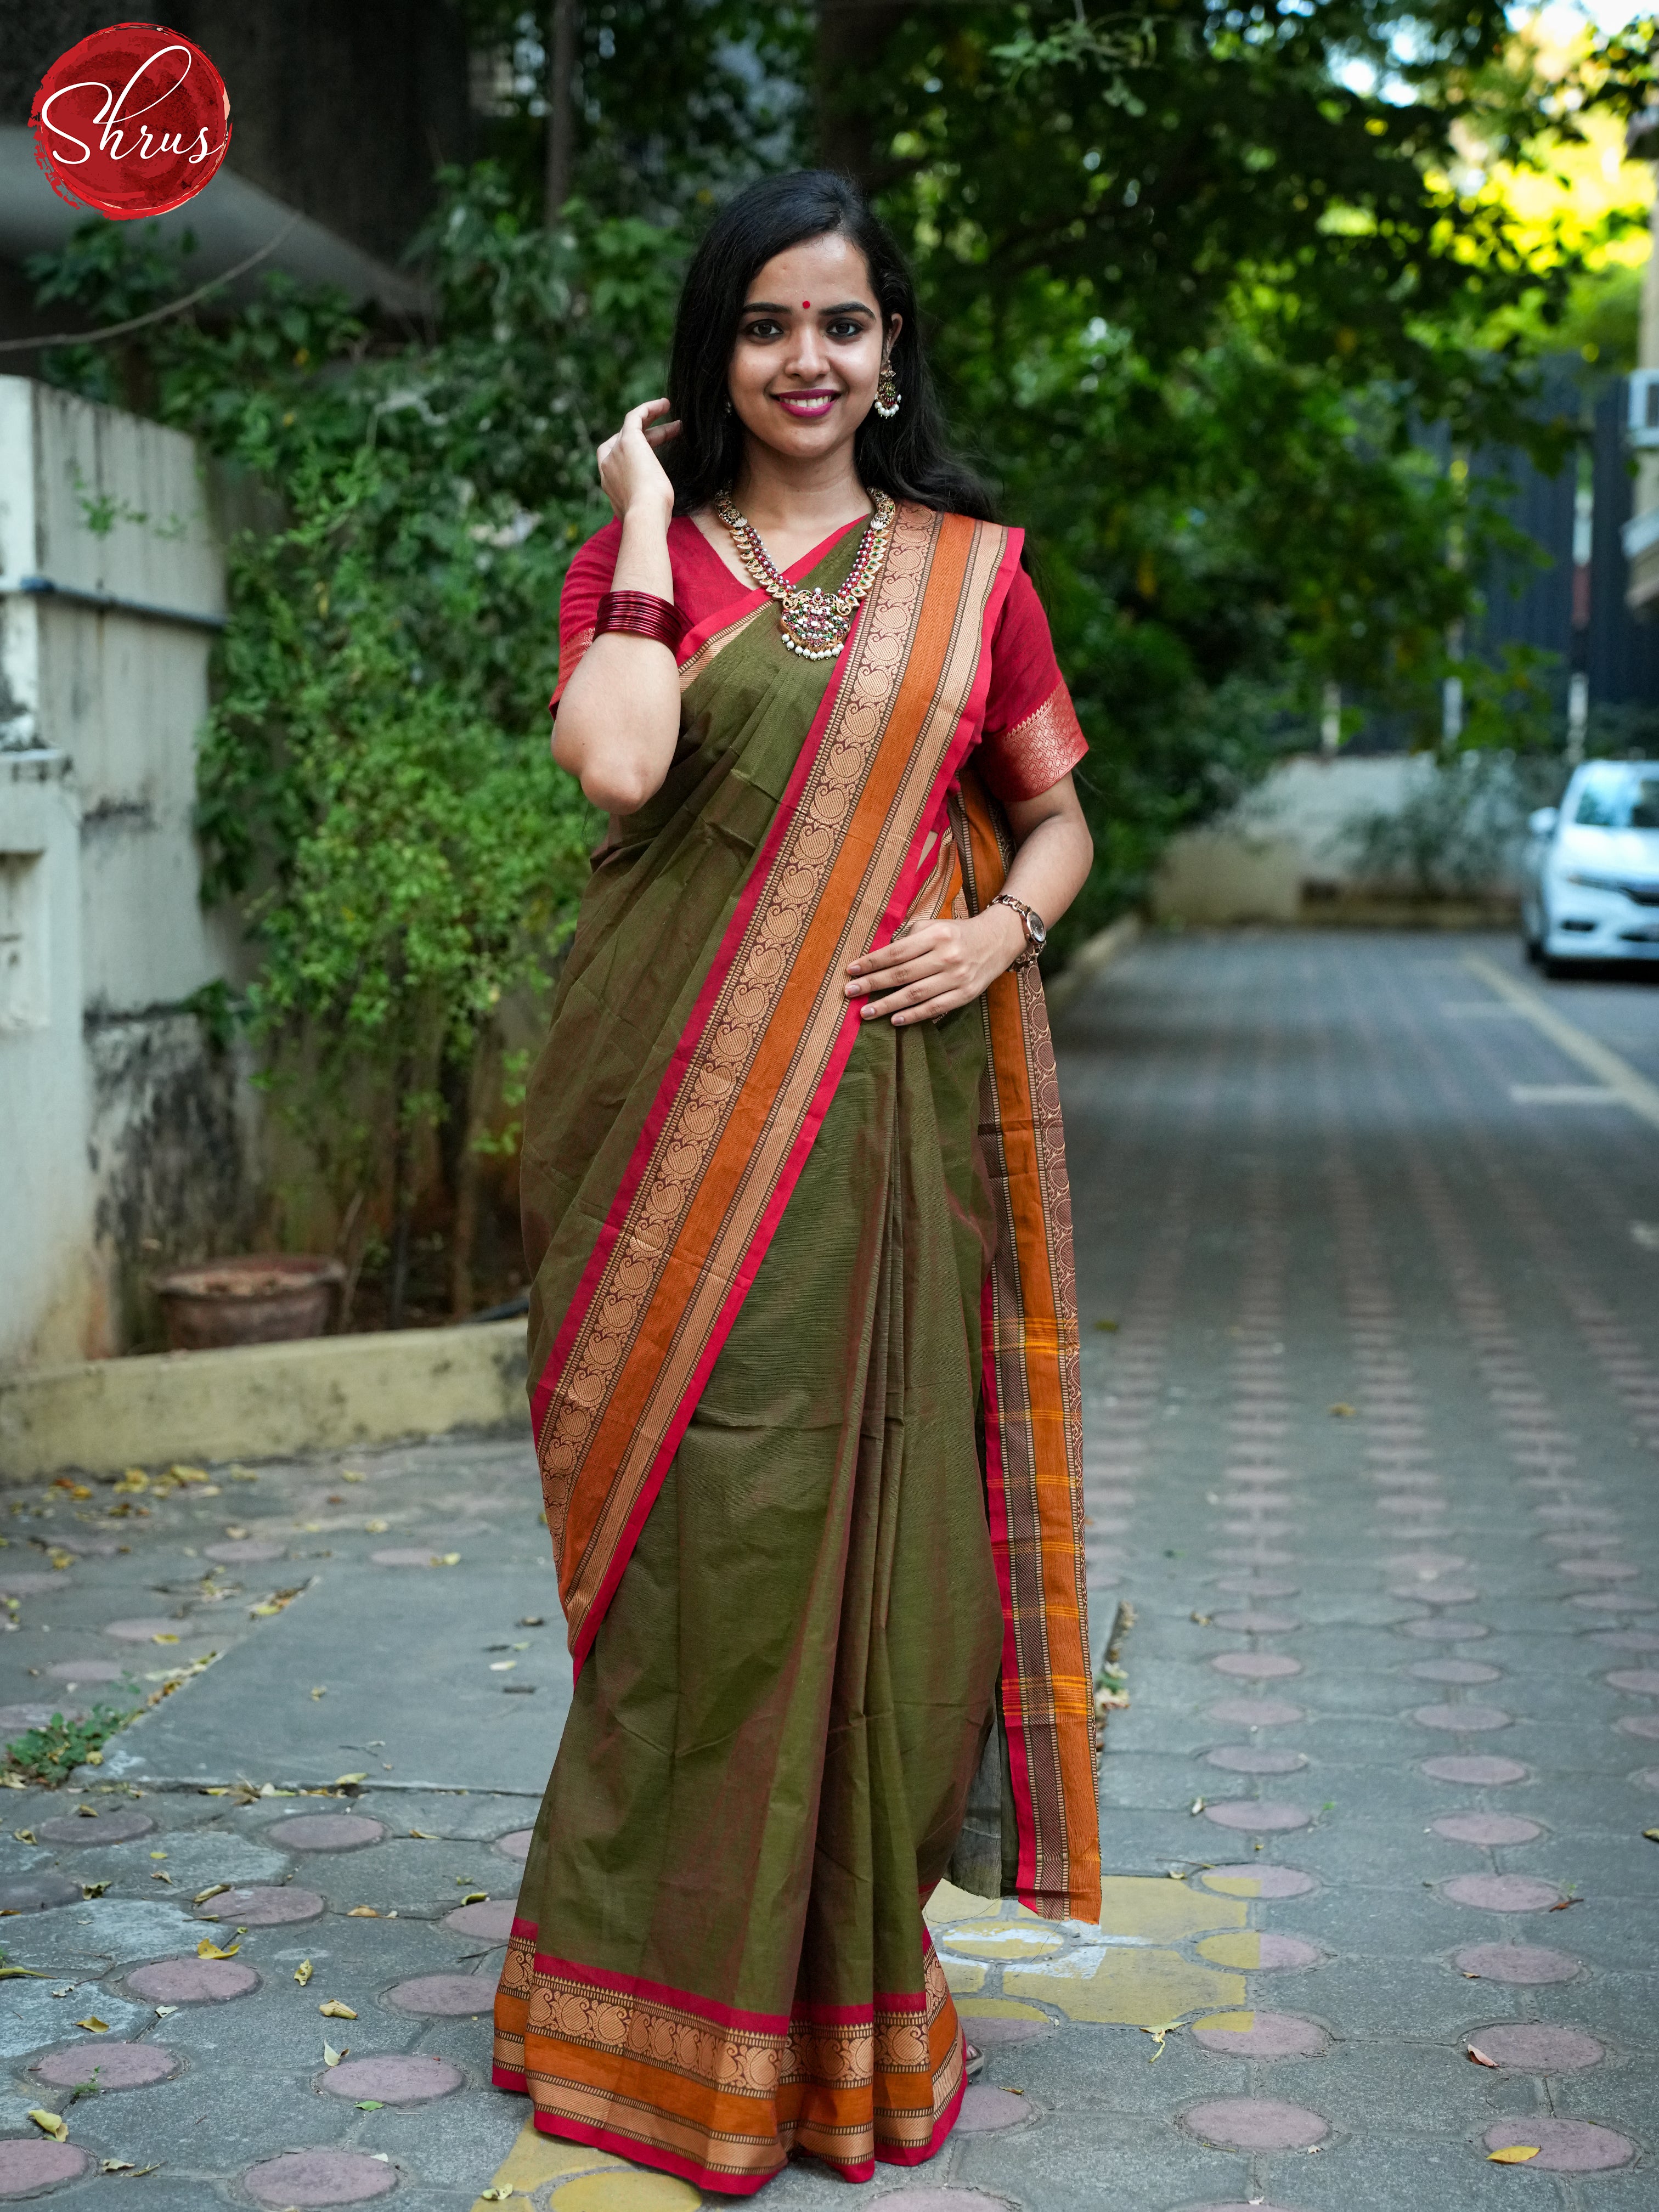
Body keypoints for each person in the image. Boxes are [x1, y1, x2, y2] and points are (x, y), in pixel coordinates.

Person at [494, 168, 1101, 2198]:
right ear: (716, 357)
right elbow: (620, 768)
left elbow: (1057, 826)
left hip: (881, 1136)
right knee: (690, 1553)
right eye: (767, 326)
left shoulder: (972, 575)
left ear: (891, 347)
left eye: (842, 324)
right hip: (653, 1134)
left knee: (872, 1547)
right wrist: (656, 530)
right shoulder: (633, 562)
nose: (808, 360)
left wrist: (999, 935)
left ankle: (845, 1993)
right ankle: (635, 1996)